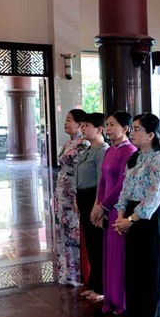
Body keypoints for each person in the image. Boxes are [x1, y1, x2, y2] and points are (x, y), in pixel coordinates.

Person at [112, 114, 160, 317]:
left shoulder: (159, 160)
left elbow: (154, 197)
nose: (132, 133)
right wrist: (121, 213)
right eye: (133, 129)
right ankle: (136, 316)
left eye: (137, 129)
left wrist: (130, 220)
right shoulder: (136, 158)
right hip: (131, 216)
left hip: (149, 219)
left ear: (150, 135)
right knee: (135, 270)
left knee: (152, 271)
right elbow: (125, 190)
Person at [91, 111, 136, 313]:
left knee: (119, 255)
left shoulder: (130, 151)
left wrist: (105, 206)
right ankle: (110, 299)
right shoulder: (110, 150)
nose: (108, 129)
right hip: (107, 207)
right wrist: (98, 204)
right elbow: (103, 181)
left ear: (126, 128)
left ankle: (121, 301)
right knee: (108, 253)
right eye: (107, 125)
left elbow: (121, 185)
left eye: (112, 125)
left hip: (120, 209)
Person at [74, 112, 108, 301]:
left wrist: (98, 205)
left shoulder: (103, 150)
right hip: (83, 197)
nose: (83, 128)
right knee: (90, 242)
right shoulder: (88, 149)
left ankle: (101, 287)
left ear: (99, 129)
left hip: (94, 198)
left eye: (87, 125)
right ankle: (93, 284)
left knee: (97, 243)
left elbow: (101, 181)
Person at [54, 108, 89, 286]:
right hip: (62, 191)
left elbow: (80, 172)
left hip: (73, 191)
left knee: (73, 231)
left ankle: (76, 273)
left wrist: (75, 194)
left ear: (81, 124)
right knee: (63, 231)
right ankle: (66, 271)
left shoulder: (84, 144)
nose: (65, 123)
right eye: (66, 119)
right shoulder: (69, 143)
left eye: (69, 120)